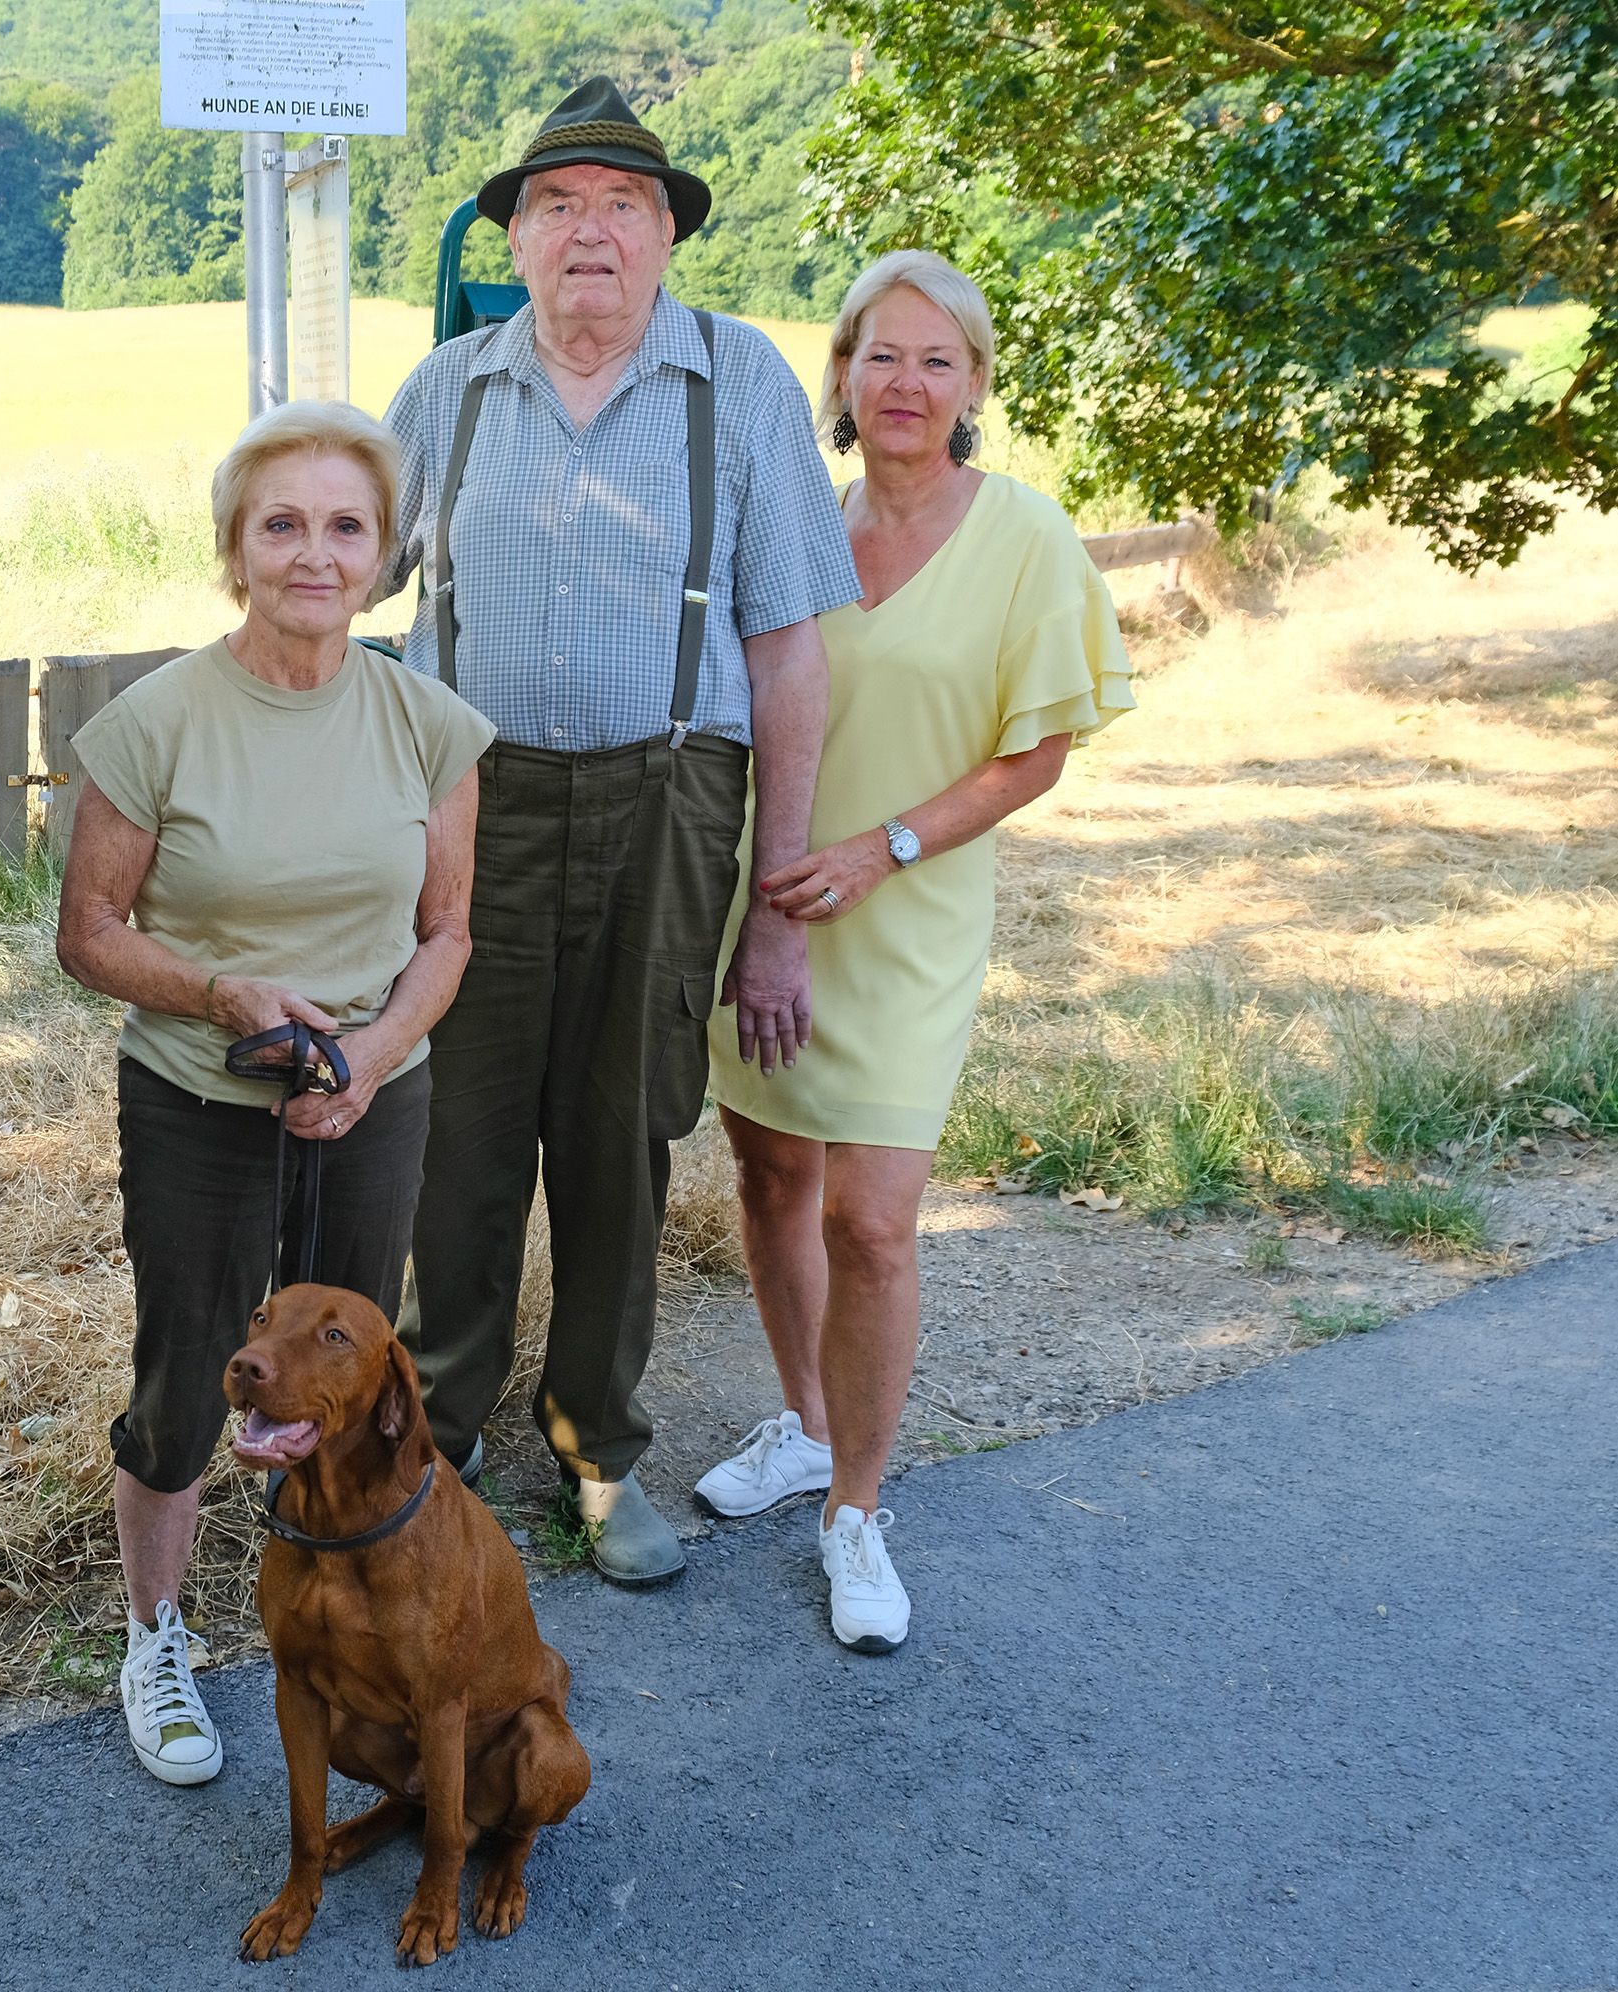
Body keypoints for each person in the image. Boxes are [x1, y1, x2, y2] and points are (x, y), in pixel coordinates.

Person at [379, 79, 861, 1588]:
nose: (588, 231)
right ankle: (431, 1439)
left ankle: (596, 1447)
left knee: (618, 1136)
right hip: (469, 801)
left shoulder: (743, 382)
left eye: (622, 206)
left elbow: (787, 650)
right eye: (555, 206)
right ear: (508, 240)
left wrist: (775, 904)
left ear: (665, 240)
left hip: (669, 800)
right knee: (453, 1137)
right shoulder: (444, 389)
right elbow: (333, 601)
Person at [694, 249, 1134, 1654]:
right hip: (762, 916)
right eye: (878, 356)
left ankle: (858, 1515)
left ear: (973, 389)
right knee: (766, 1174)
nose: (903, 384)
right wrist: (771, 891)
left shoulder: (1023, 537)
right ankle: (804, 1428)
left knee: (869, 1222)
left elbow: (1036, 754)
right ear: (838, 377)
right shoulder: (793, 532)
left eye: (935, 361)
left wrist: (880, 847)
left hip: (909, 917)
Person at [56, 400, 491, 1788]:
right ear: (235, 549)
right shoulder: (154, 722)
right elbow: (91, 932)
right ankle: (159, 1636)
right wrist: (226, 997)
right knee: (197, 1380)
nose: (315, 554)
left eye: (345, 526)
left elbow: (446, 935)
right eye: (282, 525)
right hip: (197, 1100)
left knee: (344, 1387)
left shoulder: (429, 725)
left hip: (376, 1099)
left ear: (382, 555)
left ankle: (333, 1611)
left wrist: (365, 1062)